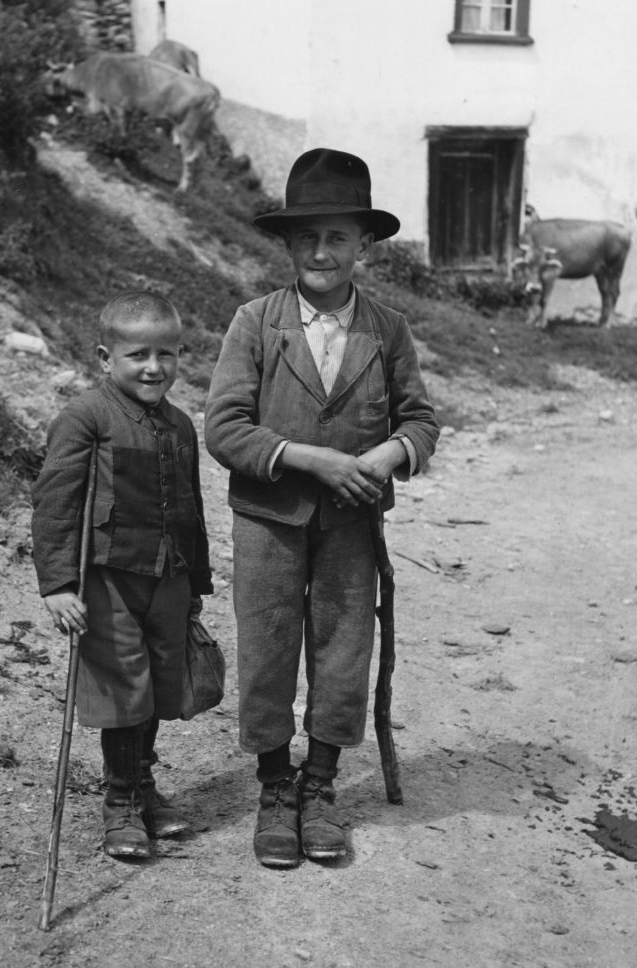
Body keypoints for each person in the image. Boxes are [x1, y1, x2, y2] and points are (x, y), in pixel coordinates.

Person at [204, 148, 439, 868]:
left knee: (343, 650)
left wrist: (384, 457)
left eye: (338, 237)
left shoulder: (386, 329)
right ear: (285, 244)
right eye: (306, 237)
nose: (321, 252)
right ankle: (276, 786)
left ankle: (320, 786)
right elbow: (225, 427)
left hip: (350, 526)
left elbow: (421, 420)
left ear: (364, 244)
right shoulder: (256, 322)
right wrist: (310, 460)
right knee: (269, 648)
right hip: (270, 522)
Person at [31, 291, 213, 860]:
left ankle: (144, 784)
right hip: (108, 581)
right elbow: (56, 503)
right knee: (126, 689)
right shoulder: (86, 417)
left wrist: (196, 584)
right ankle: (121, 804)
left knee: (160, 684)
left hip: (169, 578)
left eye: (167, 353)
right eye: (138, 355)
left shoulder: (181, 425)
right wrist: (59, 584)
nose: (154, 367)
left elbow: (192, 507)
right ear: (106, 358)